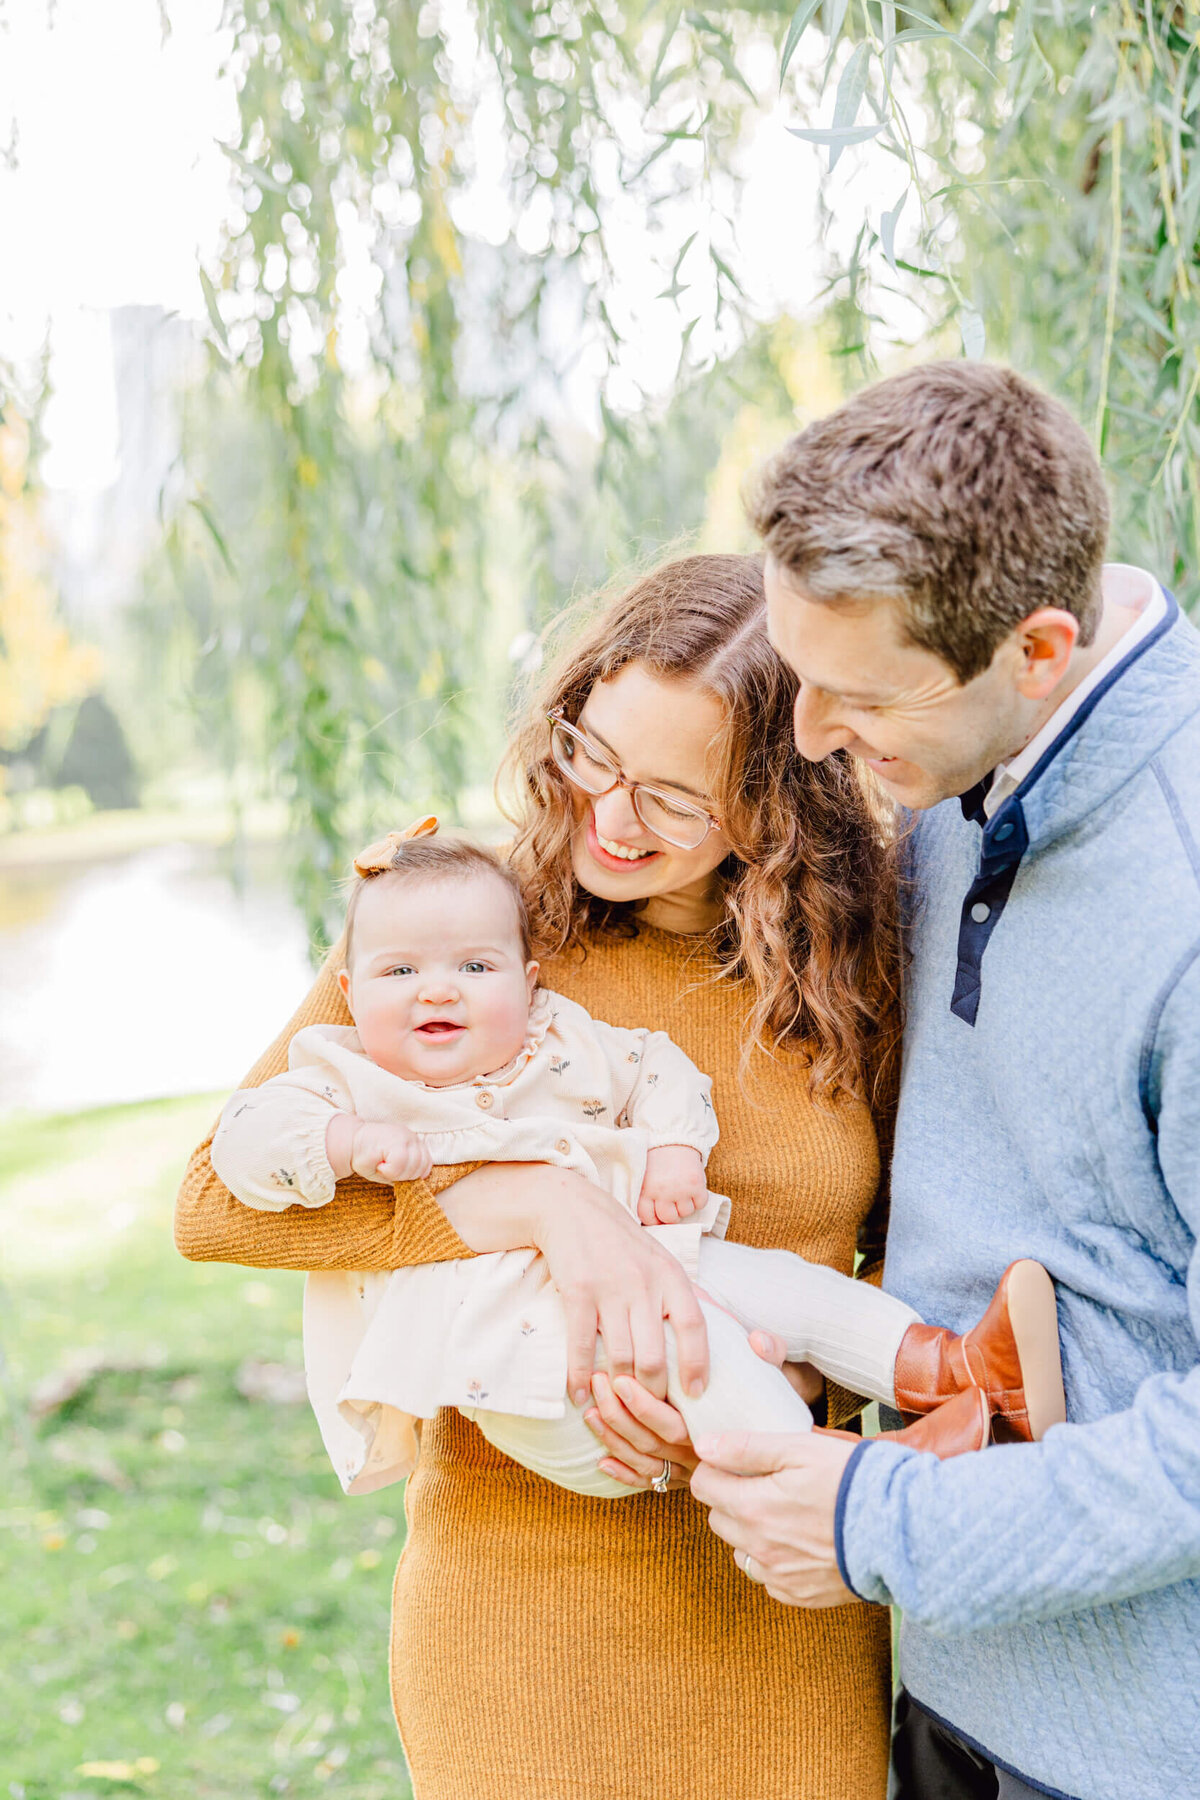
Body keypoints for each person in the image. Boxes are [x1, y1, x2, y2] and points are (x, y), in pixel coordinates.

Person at [176, 553, 904, 1800]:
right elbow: (217, 1201)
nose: (612, 819)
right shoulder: (464, 933)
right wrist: (541, 1203)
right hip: (516, 1616)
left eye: (676, 800)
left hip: (781, 1605)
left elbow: (897, 1242)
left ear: (777, 809)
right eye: (593, 755)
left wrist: (794, 1383)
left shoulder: (855, 968)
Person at [676, 364, 1200, 1800]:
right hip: (949, 1685)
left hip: (1136, 1753)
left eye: (856, 697)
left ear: (1038, 647)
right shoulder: (961, 777)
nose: (807, 738)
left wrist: (886, 1527)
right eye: (800, 681)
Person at [209, 825, 1064, 1500]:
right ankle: (862, 1485)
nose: (438, 989)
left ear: (529, 980)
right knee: (703, 1351)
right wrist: (346, 1144)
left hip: (656, 1267)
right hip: (531, 1360)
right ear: (352, 994)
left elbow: (659, 1070)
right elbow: (239, 1149)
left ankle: (950, 1371)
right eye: (401, 972)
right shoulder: (341, 1072)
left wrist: (671, 1152)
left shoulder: (557, 1041)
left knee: (780, 1288)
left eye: (475, 967)